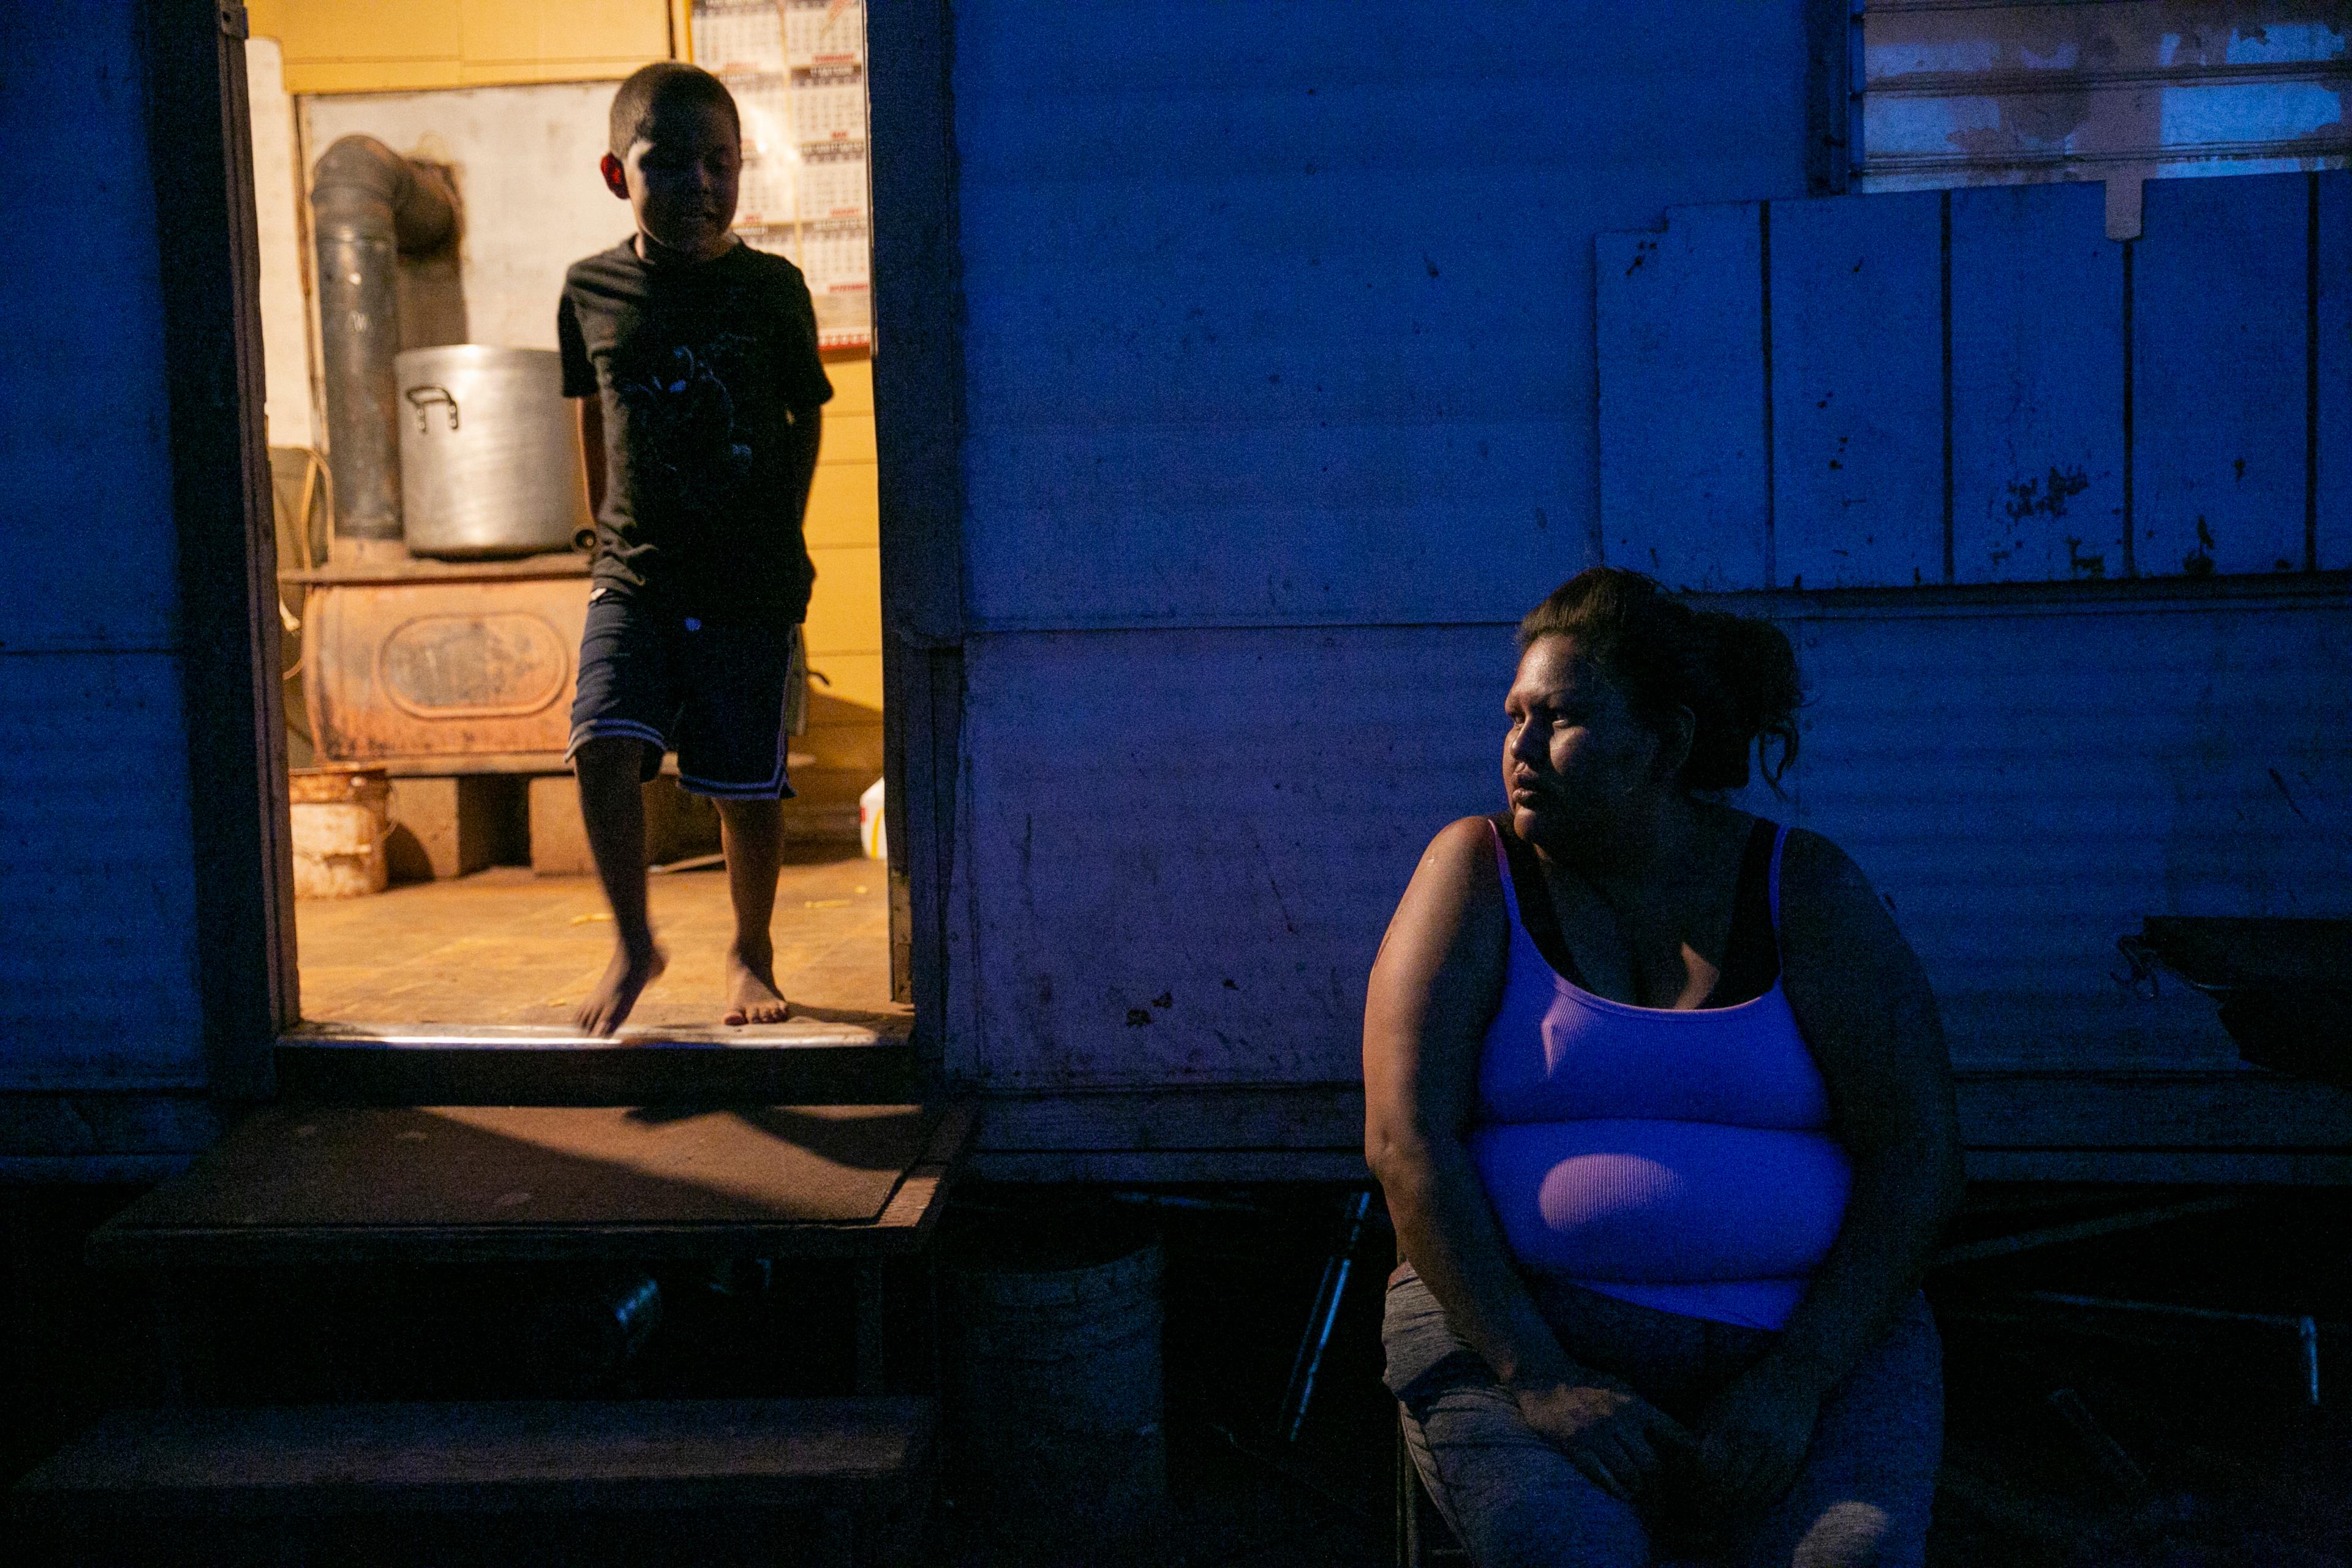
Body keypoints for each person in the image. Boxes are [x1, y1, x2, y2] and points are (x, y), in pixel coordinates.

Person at [1363, 568, 1964, 1567]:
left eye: (1562, 719)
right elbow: (1404, 1140)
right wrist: (1537, 1374)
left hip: (1803, 1341)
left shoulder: (1802, 889)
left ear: (1668, 743)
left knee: (1845, 1562)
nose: (1519, 747)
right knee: (1567, 1552)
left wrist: (1799, 1380)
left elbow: (1919, 1152)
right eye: (1514, 715)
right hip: (1520, 1334)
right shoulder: (1475, 872)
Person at [557, 61, 833, 1034]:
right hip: (631, 574)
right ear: (613, 173)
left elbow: (806, 418)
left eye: (719, 163)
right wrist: (601, 532)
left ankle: (749, 951)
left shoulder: (772, 290)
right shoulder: (588, 289)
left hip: (748, 579)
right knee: (601, 744)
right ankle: (634, 941)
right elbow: (588, 415)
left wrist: (784, 530)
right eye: (667, 164)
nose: (700, 186)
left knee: (743, 783)